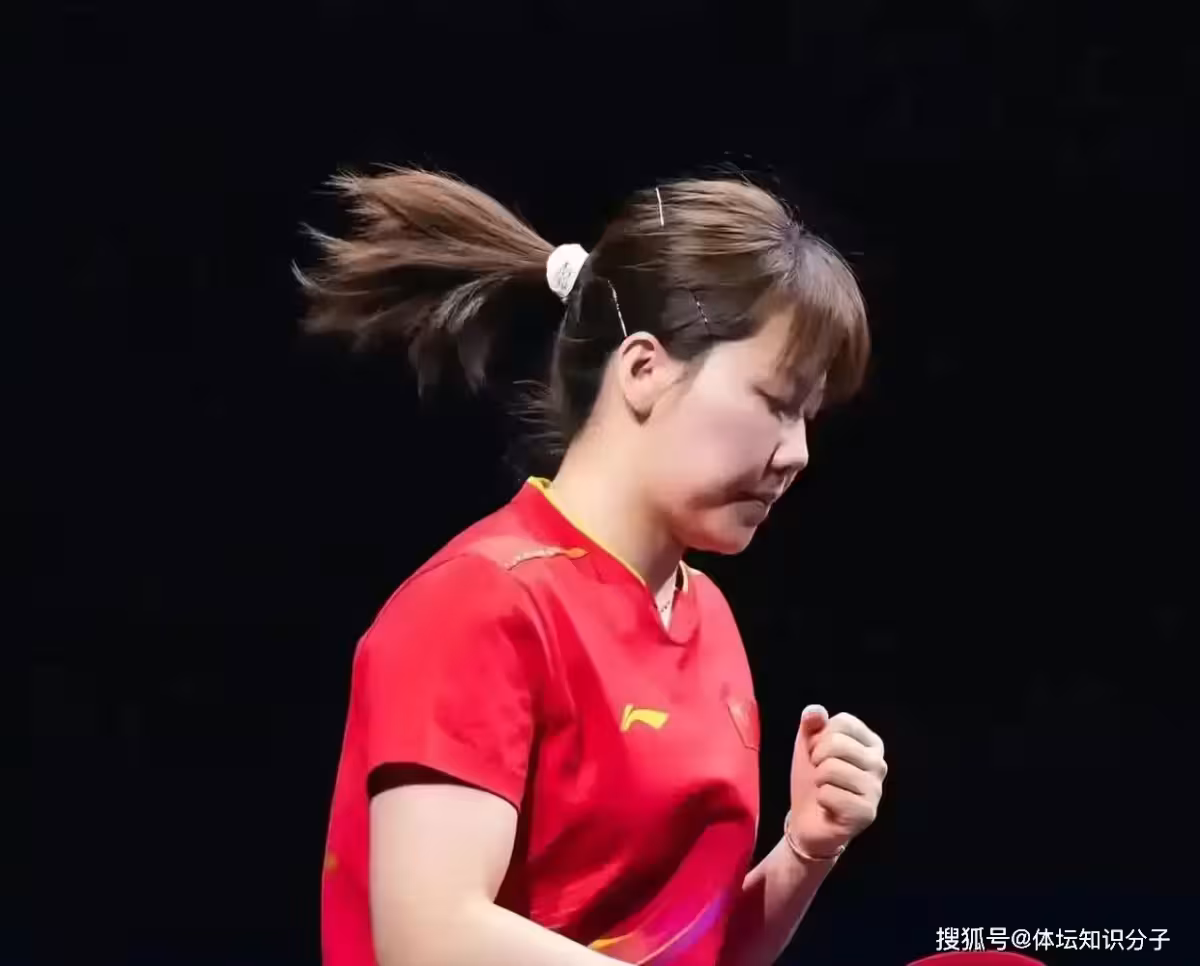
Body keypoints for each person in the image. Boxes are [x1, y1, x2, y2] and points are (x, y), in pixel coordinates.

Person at [298, 167, 889, 966]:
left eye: (809, 417)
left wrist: (803, 853)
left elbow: (694, 952)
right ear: (644, 369)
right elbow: (429, 938)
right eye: (777, 402)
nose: (797, 453)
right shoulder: (481, 601)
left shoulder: (708, 617)